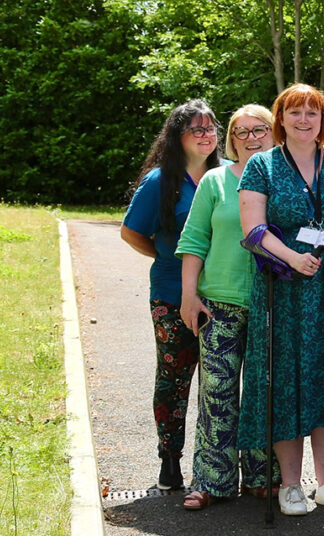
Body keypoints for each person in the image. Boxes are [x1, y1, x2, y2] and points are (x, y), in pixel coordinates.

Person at [236, 84, 324, 517]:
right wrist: (293, 258)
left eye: (311, 113)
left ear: (322, 119)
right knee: (288, 377)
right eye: (294, 112)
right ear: (281, 119)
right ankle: (292, 486)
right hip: (288, 285)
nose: (303, 120)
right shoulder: (261, 165)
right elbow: (253, 231)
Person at [175, 104, 278, 509]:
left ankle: (261, 477)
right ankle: (211, 480)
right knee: (217, 393)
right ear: (232, 140)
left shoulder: (285, 180)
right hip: (219, 303)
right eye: (241, 132)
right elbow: (194, 239)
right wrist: (189, 295)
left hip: (272, 301)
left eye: (260, 129)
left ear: (275, 133)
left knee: (264, 392)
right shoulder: (216, 181)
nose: (251, 138)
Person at [121, 99, 222, 491]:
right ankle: (170, 458)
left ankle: (215, 466)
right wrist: (170, 258)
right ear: (177, 137)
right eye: (196, 129)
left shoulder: (226, 176)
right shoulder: (159, 181)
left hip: (220, 295)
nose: (206, 135)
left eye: (211, 127)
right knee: (174, 379)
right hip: (170, 296)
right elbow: (131, 232)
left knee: (219, 384)